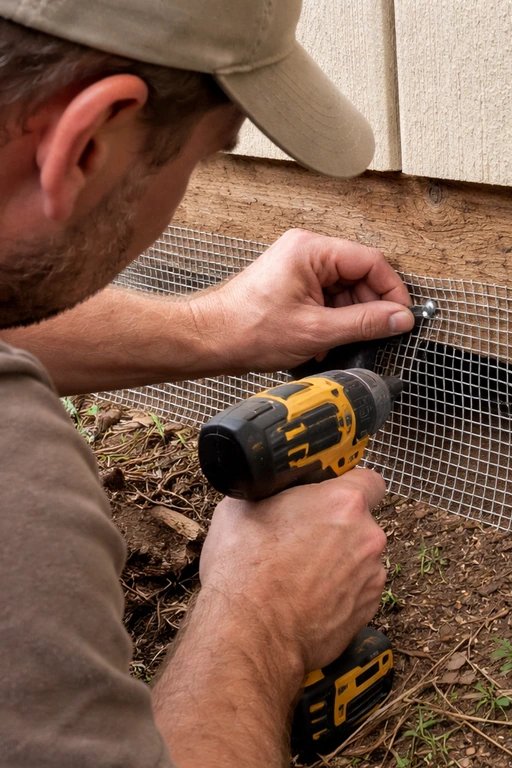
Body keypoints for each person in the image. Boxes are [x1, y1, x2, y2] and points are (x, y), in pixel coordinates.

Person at [0, 1, 415, 765]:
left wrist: (221, 326)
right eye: (201, 159)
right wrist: (266, 615)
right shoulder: (15, 485)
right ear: (87, 142)